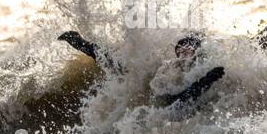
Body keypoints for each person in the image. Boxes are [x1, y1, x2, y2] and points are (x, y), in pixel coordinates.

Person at [58, 30, 225, 107]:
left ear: (197, 51)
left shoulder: (203, 67)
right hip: (152, 93)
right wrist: (204, 82)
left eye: (187, 48)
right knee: (118, 65)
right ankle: (82, 43)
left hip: (164, 106)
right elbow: (169, 100)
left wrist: (205, 81)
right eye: (179, 49)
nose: (182, 52)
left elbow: (179, 103)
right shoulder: (170, 66)